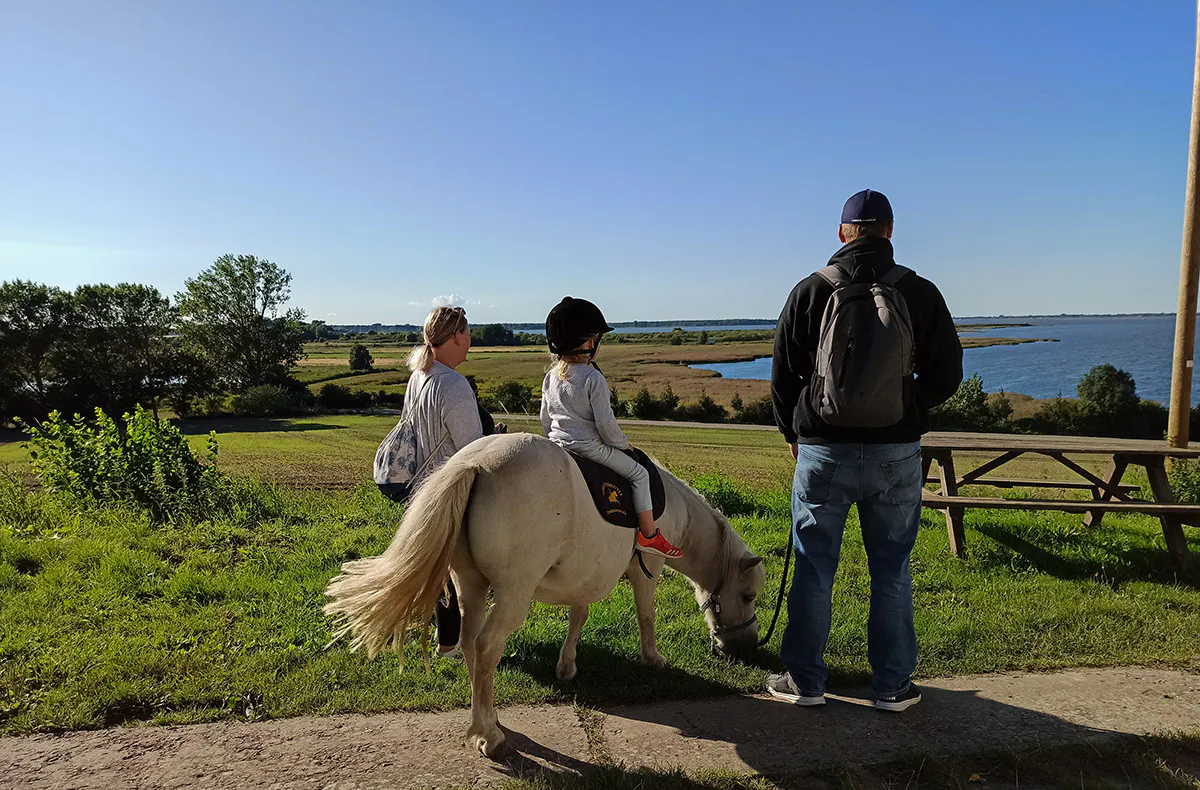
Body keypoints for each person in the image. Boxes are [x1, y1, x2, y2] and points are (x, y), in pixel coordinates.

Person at [767, 190, 963, 712]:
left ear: (841, 234)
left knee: (813, 567)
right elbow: (948, 374)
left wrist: (794, 432)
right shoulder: (919, 291)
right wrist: (907, 403)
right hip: (896, 453)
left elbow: (784, 375)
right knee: (892, 570)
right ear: (891, 232)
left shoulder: (811, 290)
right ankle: (893, 688)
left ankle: (805, 682)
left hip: (822, 451)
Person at [373, 305, 485, 658]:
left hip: (420, 486)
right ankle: (457, 644)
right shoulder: (454, 384)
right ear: (455, 337)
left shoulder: (420, 375)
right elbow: (472, 450)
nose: (470, 341)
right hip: (450, 489)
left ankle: (447, 641)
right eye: (468, 334)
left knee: (439, 567)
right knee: (459, 569)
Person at [540, 297, 683, 559]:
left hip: (559, 444)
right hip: (590, 447)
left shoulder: (551, 376)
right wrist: (623, 444)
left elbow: (545, 419)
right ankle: (649, 535)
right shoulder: (593, 378)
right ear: (590, 342)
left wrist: (554, 439)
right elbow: (606, 425)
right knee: (639, 474)